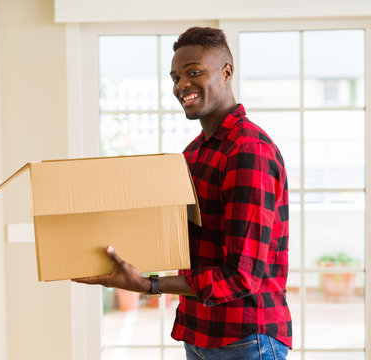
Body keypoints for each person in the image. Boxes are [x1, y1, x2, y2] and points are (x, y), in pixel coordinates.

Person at [73, 26, 292, 359]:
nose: (181, 86)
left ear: (227, 72)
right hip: (201, 330)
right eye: (175, 77)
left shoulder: (248, 151)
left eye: (194, 73)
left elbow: (242, 276)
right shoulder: (195, 152)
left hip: (245, 338)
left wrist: (150, 284)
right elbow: (179, 237)